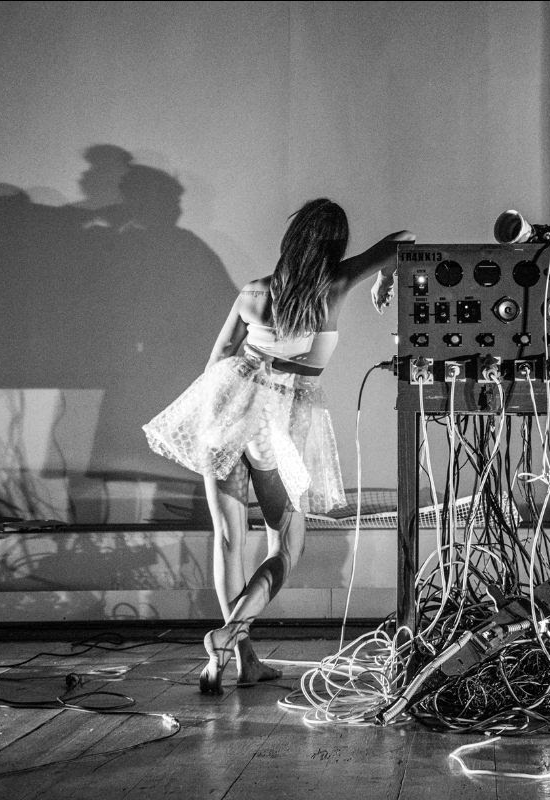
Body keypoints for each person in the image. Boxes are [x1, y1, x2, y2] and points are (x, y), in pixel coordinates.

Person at [143, 198, 414, 693]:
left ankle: (240, 659)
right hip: (277, 428)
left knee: (229, 541)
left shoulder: (253, 293)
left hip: (225, 416)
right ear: (334, 247)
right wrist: (385, 277)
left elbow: (218, 359)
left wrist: (216, 421)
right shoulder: (335, 284)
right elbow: (403, 241)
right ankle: (230, 636)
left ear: (291, 243)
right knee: (287, 545)